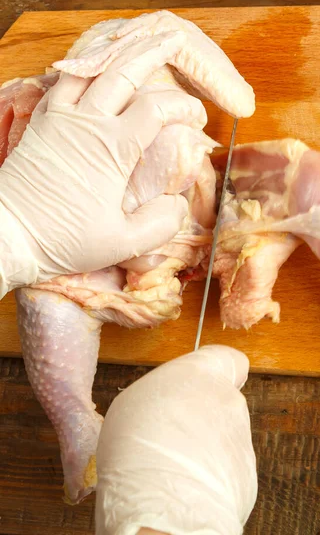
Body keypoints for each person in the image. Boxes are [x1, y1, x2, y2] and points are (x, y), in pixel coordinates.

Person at [0, 37, 258, 533]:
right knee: (49, 297)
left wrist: (13, 235)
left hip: (122, 237)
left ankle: (76, 423)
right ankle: (76, 424)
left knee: (47, 296)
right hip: (74, 255)